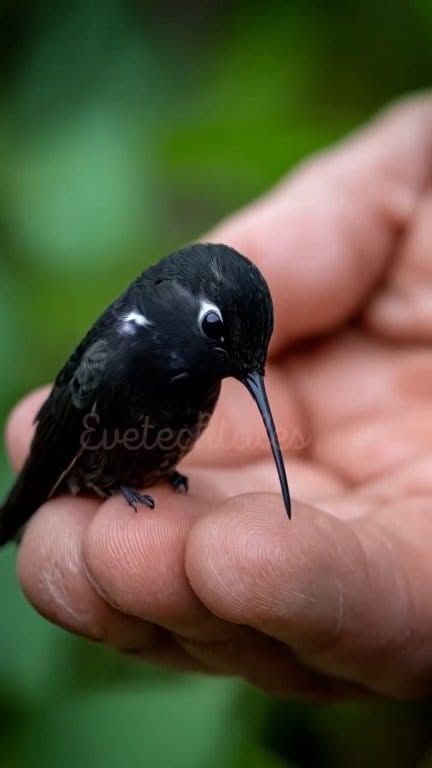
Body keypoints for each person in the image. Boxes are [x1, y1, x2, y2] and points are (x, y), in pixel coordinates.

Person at [7, 94, 432, 699]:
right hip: (85, 468)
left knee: (240, 566)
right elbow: (61, 443)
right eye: (216, 334)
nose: (244, 380)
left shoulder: (204, 375)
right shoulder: (114, 357)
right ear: (177, 299)